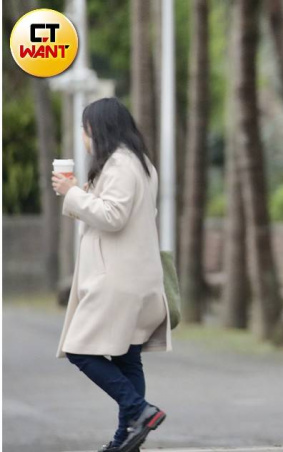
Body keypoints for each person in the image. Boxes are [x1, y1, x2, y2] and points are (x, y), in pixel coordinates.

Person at [52, 98, 170, 452]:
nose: (84, 138)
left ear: (98, 130)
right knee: (126, 357)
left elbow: (113, 216)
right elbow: (121, 211)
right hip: (136, 278)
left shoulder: (120, 164)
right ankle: (126, 438)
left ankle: (138, 409)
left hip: (117, 280)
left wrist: (71, 194)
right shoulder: (139, 163)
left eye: (85, 130)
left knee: (79, 350)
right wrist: (83, 192)